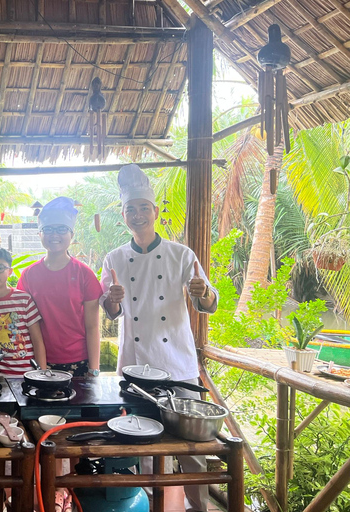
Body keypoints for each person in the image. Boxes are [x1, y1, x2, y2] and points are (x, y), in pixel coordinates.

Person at [99, 163, 218, 512]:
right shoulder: (114, 258)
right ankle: (155, 505)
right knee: (145, 444)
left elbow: (206, 302)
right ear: (124, 216)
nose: (136, 215)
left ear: (154, 211)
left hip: (178, 365)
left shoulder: (183, 254)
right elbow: (111, 311)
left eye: (142, 208)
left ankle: (200, 507)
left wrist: (202, 291)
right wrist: (111, 301)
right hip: (136, 370)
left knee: (193, 451)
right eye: (129, 210)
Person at [17, 197, 102, 377]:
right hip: (38, 359)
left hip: (79, 361)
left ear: (72, 234)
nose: (54, 235)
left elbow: (93, 327)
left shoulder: (84, 274)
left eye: (62, 229)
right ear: (39, 234)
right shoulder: (28, 275)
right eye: (47, 229)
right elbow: (23, 322)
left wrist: (94, 369)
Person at [0, 246, 45, 375]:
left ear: (10, 271)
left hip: (27, 374)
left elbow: (37, 340)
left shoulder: (24, 299)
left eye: (0, 268)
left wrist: (42, 374)